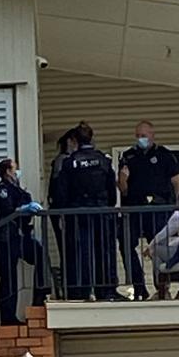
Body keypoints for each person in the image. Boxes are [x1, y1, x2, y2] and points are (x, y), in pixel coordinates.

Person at [118, 120, 179, 300]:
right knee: (126, 243)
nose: (141, 139)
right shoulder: (128, 156)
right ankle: (139, 287)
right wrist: (123, 178)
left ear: (152, 136)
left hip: (159, 208)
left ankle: (162, 287)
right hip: (134, 209)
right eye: (138, 136)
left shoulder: (165, 155)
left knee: (159, 246)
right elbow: (122, 189)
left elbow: (177, 181)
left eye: (144, 136)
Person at [55, 122, 120, 301]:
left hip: (77, 214)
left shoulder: (69, 163)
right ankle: (106, 290)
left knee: (80, 252)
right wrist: (109, 207)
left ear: (75, 140)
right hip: (101, 212)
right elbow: (111, 190)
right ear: (91, 138)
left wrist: (62, 212)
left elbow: (61, 191)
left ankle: (80, 291)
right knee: (104, 251)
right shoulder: (103, 160)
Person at [0, 159, 47, 326]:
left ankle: (40, 295)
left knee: (40, 255)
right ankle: (8, 318)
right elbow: (7, 210)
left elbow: (26, 206)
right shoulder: (1, 190)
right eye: (15, 169)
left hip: (21, 236)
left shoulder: (19, 191)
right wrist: (22, 209)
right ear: (8, 171)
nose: (18, 172)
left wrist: (29, 208)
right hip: (6, 238)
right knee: (9, 278)